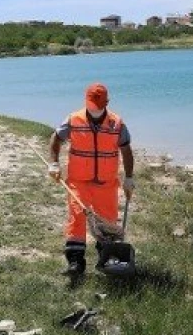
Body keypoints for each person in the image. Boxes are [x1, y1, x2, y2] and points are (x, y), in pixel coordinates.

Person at [47, 82, 135, 276]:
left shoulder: (117, 123)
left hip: (107, 184)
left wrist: (129, 177)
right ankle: (75, 263)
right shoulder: (73, 119)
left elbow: (127, 151)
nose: (94, 108)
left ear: (107, 102)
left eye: (98, 105)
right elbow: (56, 139)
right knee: (77, 218)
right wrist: (53, 163)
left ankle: (108, 259)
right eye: (91, 104)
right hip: (79, 181)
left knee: (108, 223)